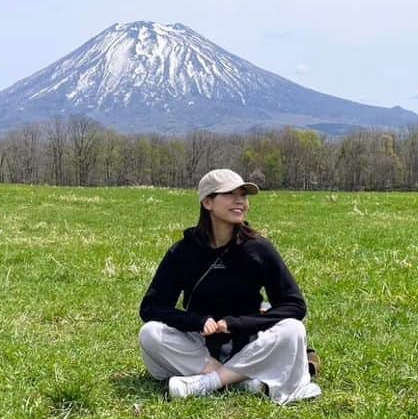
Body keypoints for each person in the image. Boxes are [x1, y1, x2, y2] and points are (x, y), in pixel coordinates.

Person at [138, 169, 321, 404]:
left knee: (293, 330)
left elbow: (294, 305)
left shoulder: (258, 249)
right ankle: (240, 379)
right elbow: (151, 307)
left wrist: (238, 323)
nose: (240, 201)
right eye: (230, 194)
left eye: (243, 195)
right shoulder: (183, 251)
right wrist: (197, 321)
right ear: (207, 202)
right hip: (200, 345)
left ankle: (210, 382)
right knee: (150, 334)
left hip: (249, 341)